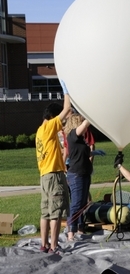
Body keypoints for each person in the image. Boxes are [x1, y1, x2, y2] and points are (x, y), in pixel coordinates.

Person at [35, 80, 71, 253]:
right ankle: (54, 246)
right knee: (56, 212)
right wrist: (67, 92)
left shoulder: (39, 131)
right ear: (52, 118)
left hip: (43, 176)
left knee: (45, 213)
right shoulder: (50, 126)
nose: (62, 124)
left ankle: (44, 245)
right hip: (54, 175)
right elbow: (66, 110)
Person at [64, 113, 105, 240]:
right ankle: (71, 232)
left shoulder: (80, 140)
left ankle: (79, 229)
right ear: (77, 124)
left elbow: (82, 152)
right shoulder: (72, 135)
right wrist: (92, 113)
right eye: (81, 123)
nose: (86, 128)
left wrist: (94, 152)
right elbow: (85, 124)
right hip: (76, 175)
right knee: (76, 204)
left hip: (84, 174)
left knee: (82, 204)